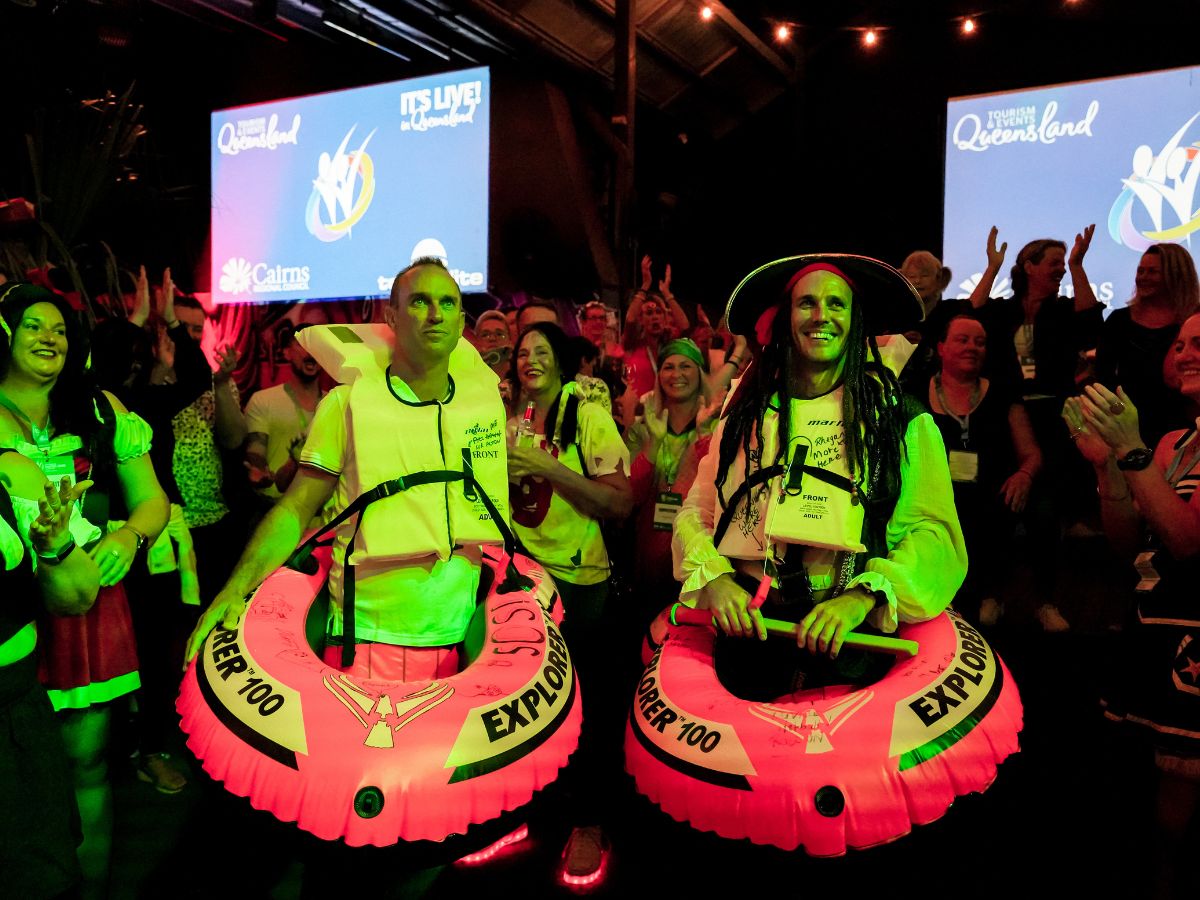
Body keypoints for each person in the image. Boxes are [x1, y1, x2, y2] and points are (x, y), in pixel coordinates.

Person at [672, 254, 965, 673]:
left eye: (836, 304)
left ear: (856, 318)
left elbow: (932, 533)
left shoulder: (900, 418)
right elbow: (698, 510)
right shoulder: (745, 412)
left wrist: (863, 598)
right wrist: (714, 579)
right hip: (749, 638)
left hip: (849, 644)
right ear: (787, 317)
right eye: (807, 303)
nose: (820, 315)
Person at [0, 282, 169, 899]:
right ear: (4, 334)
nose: (50, 338)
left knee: (86, 762)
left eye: (61, 330)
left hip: (86, 605)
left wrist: (127, 537)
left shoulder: (101, 412)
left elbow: (152, 501)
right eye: (34, 326)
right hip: (11, 612)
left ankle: (87, 892)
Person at [1063, 315, 1200, 898]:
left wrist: (1132, 451)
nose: (1184, 352)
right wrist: (1106, 467)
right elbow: (1127, 542)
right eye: (1180, 343)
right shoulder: (1174, 443)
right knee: (1144, 812)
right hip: (1151, 629)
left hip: (1195, 646)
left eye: (1199, 343)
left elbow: (1189, 543)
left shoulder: (1155, 445)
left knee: (1181, 818)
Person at [505, 321, 631, 883]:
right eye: (521, 353)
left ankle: (588, 823)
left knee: (585, 706)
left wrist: (548, 467)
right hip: (516, 581)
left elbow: (620, 504)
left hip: (579, 582)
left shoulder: (587, 416)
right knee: (520, 701)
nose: (529, 360)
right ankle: (522, 812)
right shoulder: (506, 420)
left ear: (560, 361)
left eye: (541, 351)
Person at [969, 225, 1103, 630]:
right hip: (1006, 416)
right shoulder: (1004, 311)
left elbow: (1092, 324)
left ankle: (1046, 602)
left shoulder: (1063, 312)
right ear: (1028, 266)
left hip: (1052, 421)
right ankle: (993, 594)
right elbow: (969, 315)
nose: (1060, 270)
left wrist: (1079, 266)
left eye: (1064, 264)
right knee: (999, 509)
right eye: (1055, 263)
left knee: (1046, 512)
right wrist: (991, 268)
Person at [0, 452, 101, 900]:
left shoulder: (11, 473)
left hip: (15, 712)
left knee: (39, 875)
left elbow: (77, 598)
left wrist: (54, 545)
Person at [927, 314, 1042, 625]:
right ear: (941, 347)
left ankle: (992, 597)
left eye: (979, 342)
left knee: (1005, 507)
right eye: (962, 340)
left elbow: (1031, 453)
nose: (972, 347)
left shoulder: (1002, 394)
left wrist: (1024, 475)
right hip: (934, 495)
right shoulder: (916, 393)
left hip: (990, 496)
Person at [625, 337, 722, 624]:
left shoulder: (717, 426)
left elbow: (716, 490)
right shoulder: (643, 427)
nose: (676, 374)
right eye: (668, 367)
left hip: (695, 554)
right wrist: (652, 446)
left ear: (699, 373)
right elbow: (631, 496)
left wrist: (704, 437)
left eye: (685, 366)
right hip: (648, 555)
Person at [1094, 243, 1200, 450]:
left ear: (1175, 275)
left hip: (1184, 430)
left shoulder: (1194, 320)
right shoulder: (1119, 321)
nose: (1143, 277)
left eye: (1153, 272)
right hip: (1127, 430)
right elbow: (1103, 378)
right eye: (1140, 271)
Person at [243, 323, 325, 509]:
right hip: (273, 508)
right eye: (303, 345)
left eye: (317, 345)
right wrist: (260, 471)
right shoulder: (263, 400)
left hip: (320, 513)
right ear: (287, 353)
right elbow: (255, 452)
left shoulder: (334, 404)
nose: (311, 352)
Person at [898, 249, 965, 390]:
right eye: (911, 276)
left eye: (924, 275)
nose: (917, 281)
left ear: (939, 279)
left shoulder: (951, 312)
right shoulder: (894, 316)